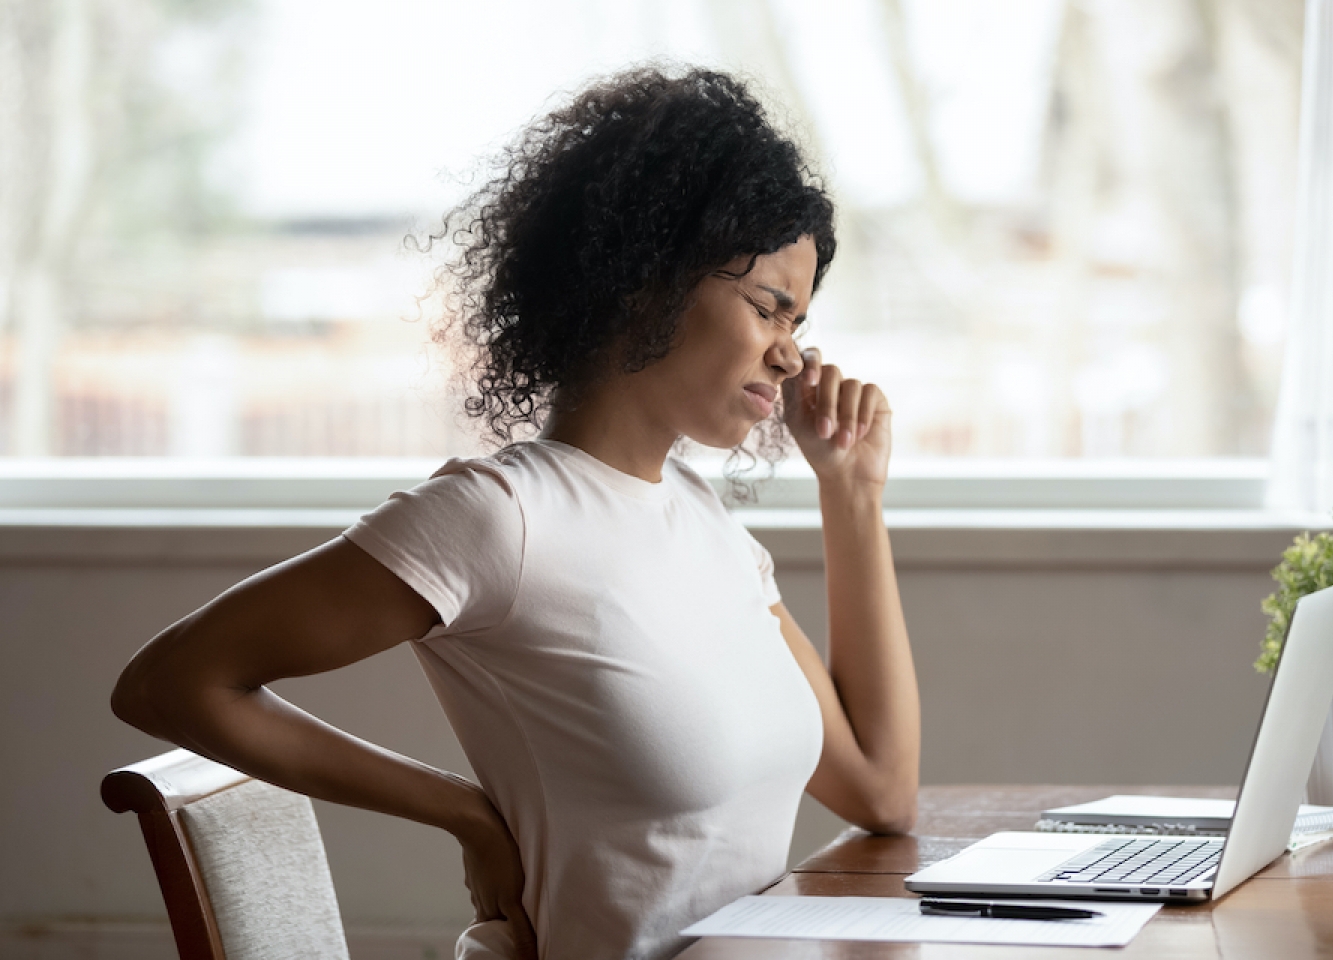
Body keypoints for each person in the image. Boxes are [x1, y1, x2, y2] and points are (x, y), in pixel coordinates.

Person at [111, 67, 919, 960]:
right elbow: (171, 684)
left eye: (801, 323)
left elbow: (881, 793)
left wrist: (851, 492)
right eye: (771, 307)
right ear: (647, 277)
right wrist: (461, 810)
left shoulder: (706, 524)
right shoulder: (500, 518)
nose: (792, 357)